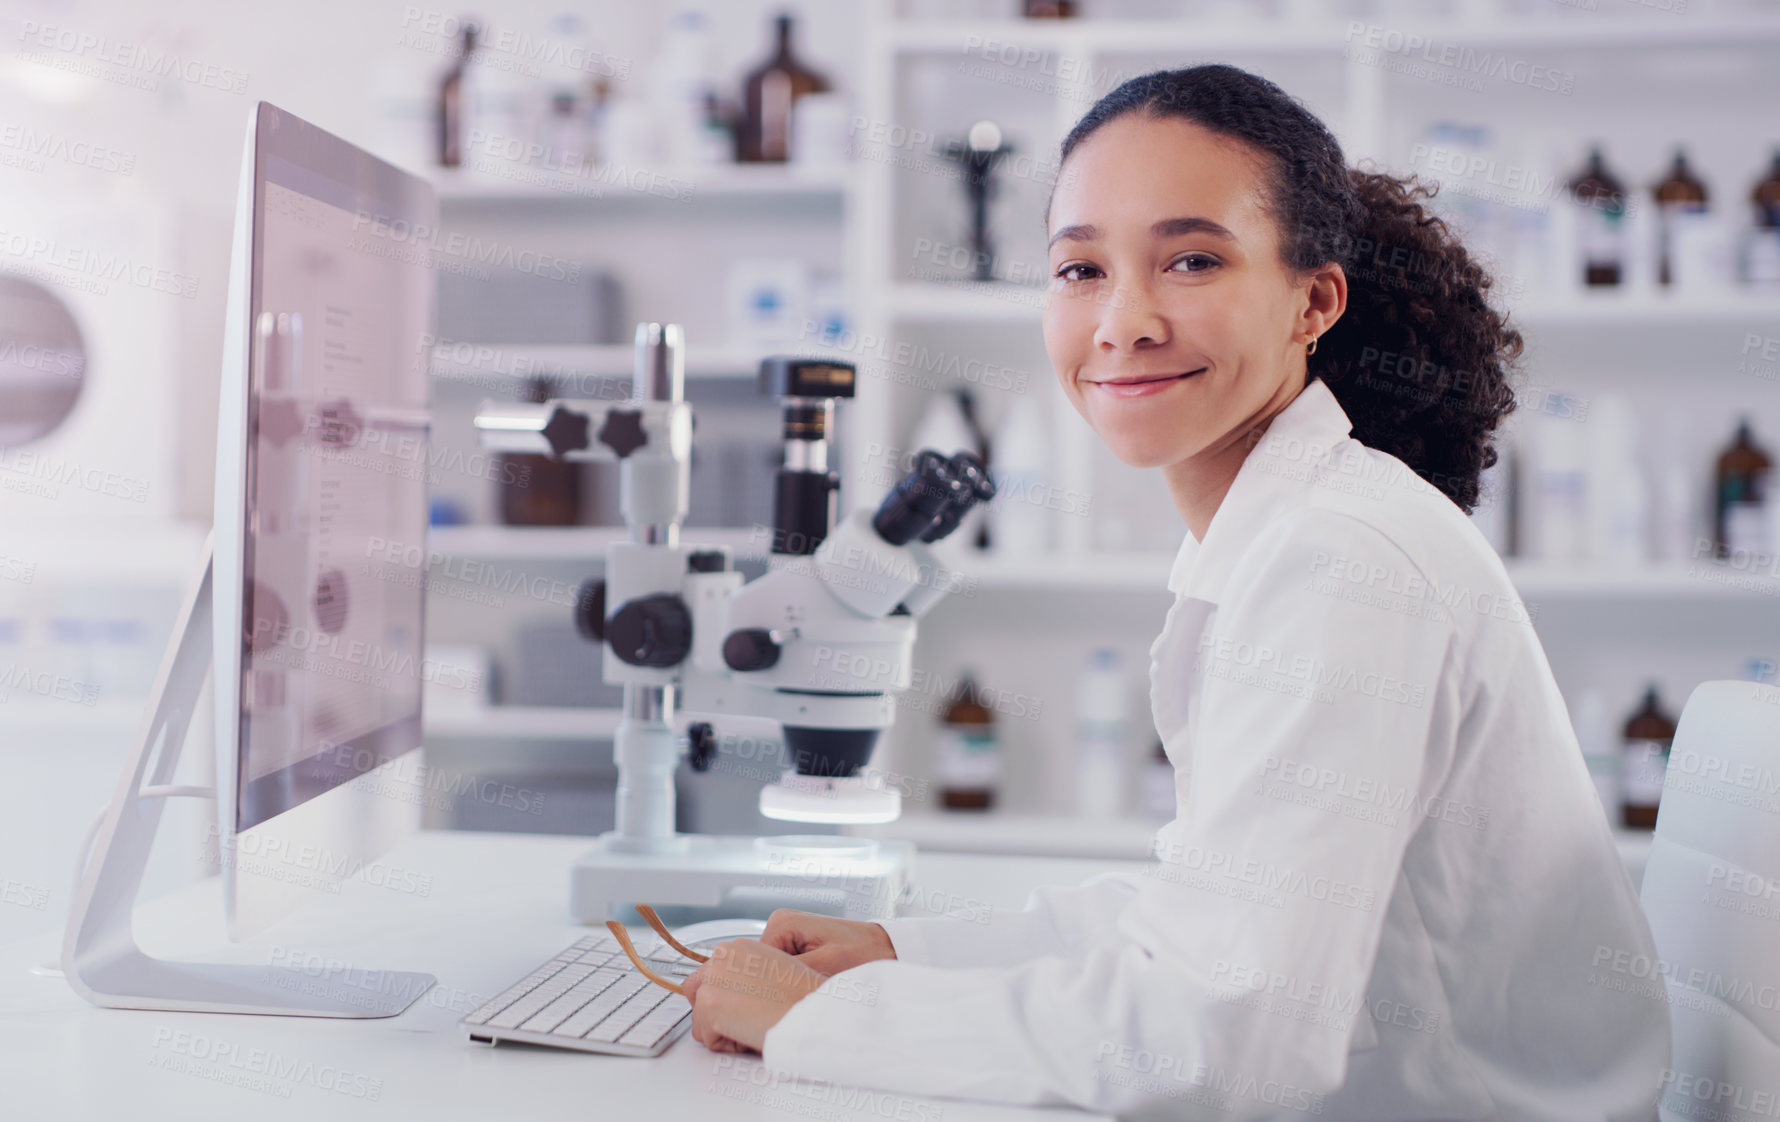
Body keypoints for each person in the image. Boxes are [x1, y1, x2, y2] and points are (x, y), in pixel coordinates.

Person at [680, 64, 1671, 1120]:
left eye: (1191, 260)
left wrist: (814, 1023)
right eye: (1079, 271)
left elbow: (1220, 1045)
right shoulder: (1273, 533)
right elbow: (1199, 917)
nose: (1124, 321)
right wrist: (897, 953)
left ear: (1313, 300)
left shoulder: (1340, 560)